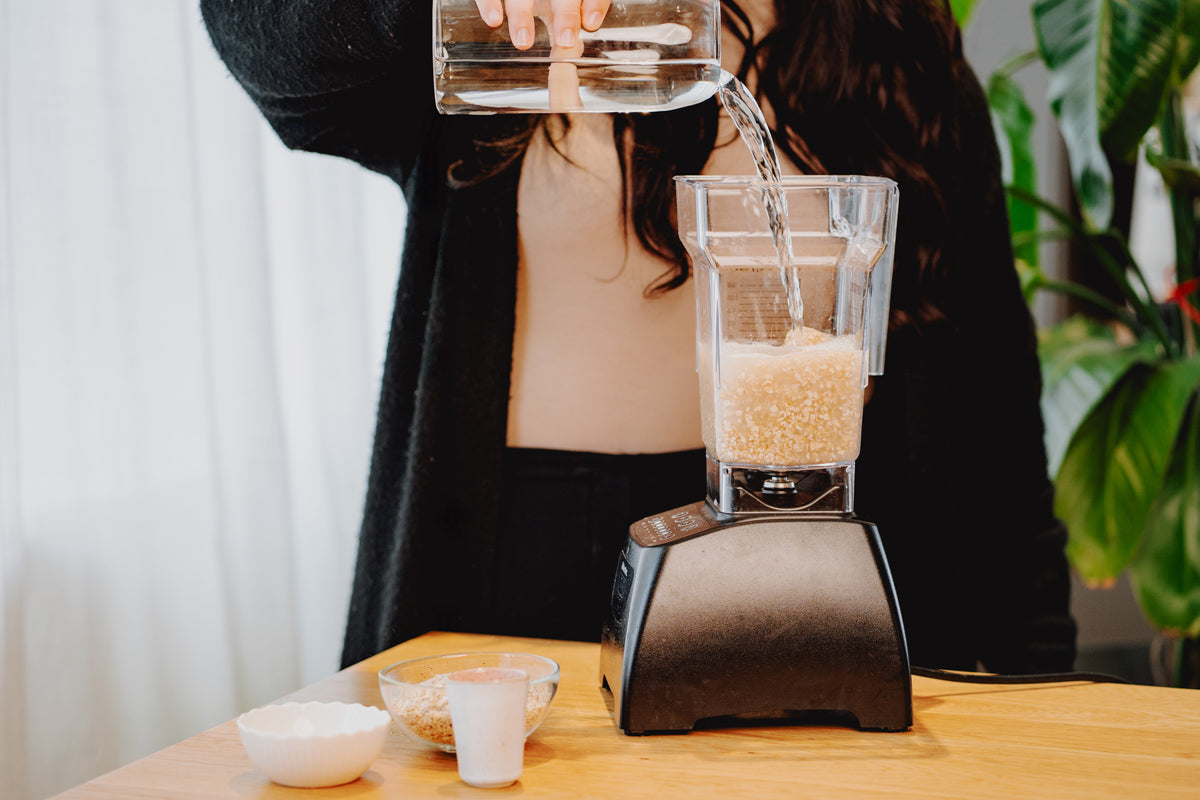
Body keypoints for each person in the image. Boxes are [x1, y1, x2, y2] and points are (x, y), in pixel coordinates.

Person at [200, 0, 1078, 674]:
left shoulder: (895, 54)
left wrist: (1040, 707)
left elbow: (997, 445)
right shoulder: (508, 30)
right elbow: (266, 42)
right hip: (504, 592)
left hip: (808, 586)